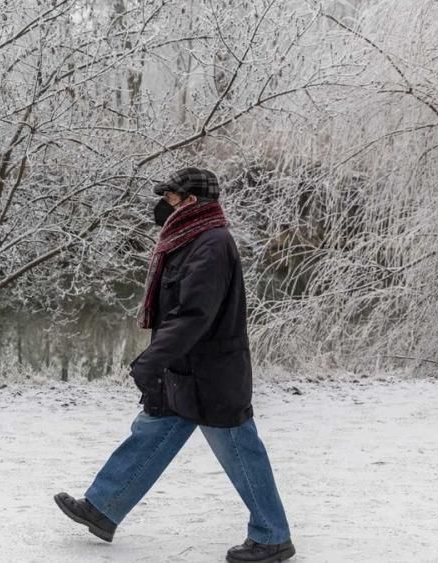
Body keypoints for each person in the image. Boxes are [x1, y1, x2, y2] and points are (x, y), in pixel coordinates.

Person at [54, 167, 295, 563]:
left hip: (212, 373)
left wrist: (152, 359)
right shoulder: (188, 240)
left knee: (240, 449)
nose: (162, 206)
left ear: (191, 202)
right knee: (153, 430)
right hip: (186, 368)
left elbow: (193, 314)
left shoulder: (211, 244)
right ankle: (103, 507)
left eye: (170, 198)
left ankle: (272, 537)